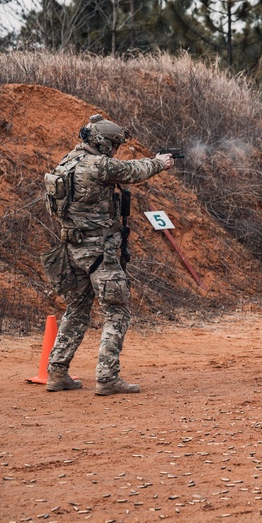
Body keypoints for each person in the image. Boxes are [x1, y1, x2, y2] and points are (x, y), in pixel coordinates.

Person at [43, 114, 174, 396]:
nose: (115, 150)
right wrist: (160, 163)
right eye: (114, 145)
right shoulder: (97, 165)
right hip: (99, 252)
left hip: (71, 249)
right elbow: (131, 171)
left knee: (76, 311)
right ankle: (107, 376)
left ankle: (56, 372)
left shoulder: (66, 162)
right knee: (117, 311)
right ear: (103, 143)